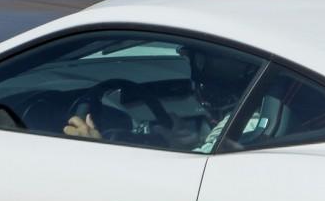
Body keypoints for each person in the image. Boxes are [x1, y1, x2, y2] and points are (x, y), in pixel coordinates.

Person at [62, 44, 258, 152]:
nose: (195, 69)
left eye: (202, 59)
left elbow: (186, 183)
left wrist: (96, 151)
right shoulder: (267, 109)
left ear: (243, 64)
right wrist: (188, 146)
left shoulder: (251, 122)